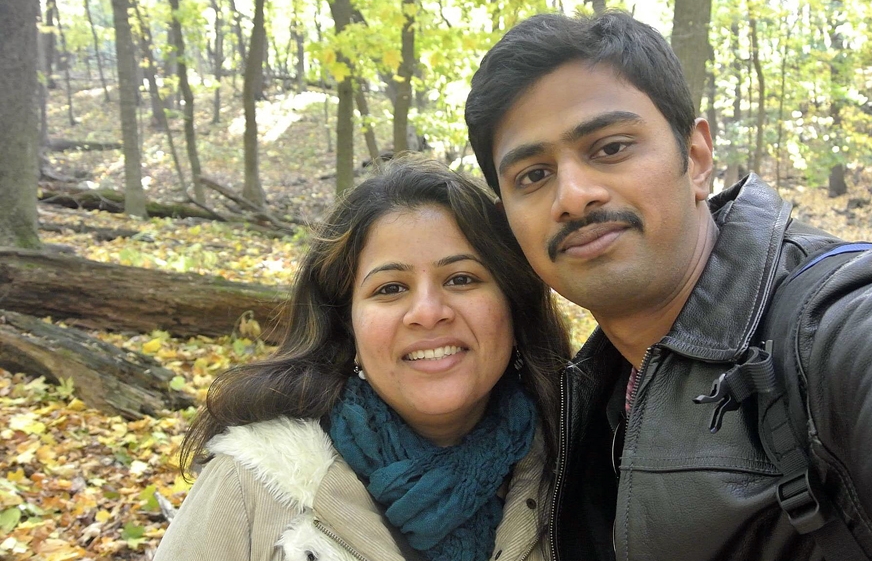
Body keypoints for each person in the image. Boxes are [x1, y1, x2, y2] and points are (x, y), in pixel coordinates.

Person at [465, 10, 872, 561]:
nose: (573, 195)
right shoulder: (585, 396)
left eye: (611, 148)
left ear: (696, 159)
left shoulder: (847, 321)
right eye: (533, 175)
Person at [153, 157, 570, 561]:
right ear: (347, 326)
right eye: (390, 288)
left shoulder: (581, 464)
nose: (427, 312)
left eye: (461, 279)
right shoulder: (250, 484)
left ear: (513, 306)